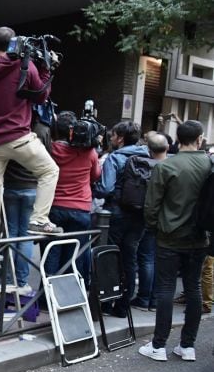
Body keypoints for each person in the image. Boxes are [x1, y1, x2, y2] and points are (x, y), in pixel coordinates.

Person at [0, 26, 61, 260]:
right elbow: (41, 95)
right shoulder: (25, 66)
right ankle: (39, 220)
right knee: (49, 170)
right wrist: (46, 69)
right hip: (19, 137)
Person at [139, 120, 211, 362]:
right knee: (193, 288)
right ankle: (187, 345)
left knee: (166, 289)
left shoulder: (166, 167)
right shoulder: (209, 165)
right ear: (199, 138)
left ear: (177, 140)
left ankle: (159, 345)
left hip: (169, 236)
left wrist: (154, 226)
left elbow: (151, 206)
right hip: (200, 236)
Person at [93, 120, 148, 317]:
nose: (112, 138)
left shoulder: (115, 158)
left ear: (120, 138)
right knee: (130, 258)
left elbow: (105, 188)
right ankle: (123, 306)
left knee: (110, 257)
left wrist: (95, 189)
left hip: (116, 213)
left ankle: (107, 303)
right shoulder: (148, 156)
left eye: (114, 135)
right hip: (141, 215)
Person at [43, 111, 101, 285]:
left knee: (52, 252)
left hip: (54, 207)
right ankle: (69, 300)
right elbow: (96, 175)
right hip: (81, 208)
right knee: (73, 256)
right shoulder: (89, 153)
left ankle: (47, 298)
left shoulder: (49, 150)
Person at [131, 132, 169, 312]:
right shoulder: (171, 166)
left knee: (146, 258)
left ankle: (144, 298)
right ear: (168, 147)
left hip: (147, 217)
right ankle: (154, 300)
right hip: (166, 219)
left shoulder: (143, 164)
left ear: (148, 149)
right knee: (156, 259)